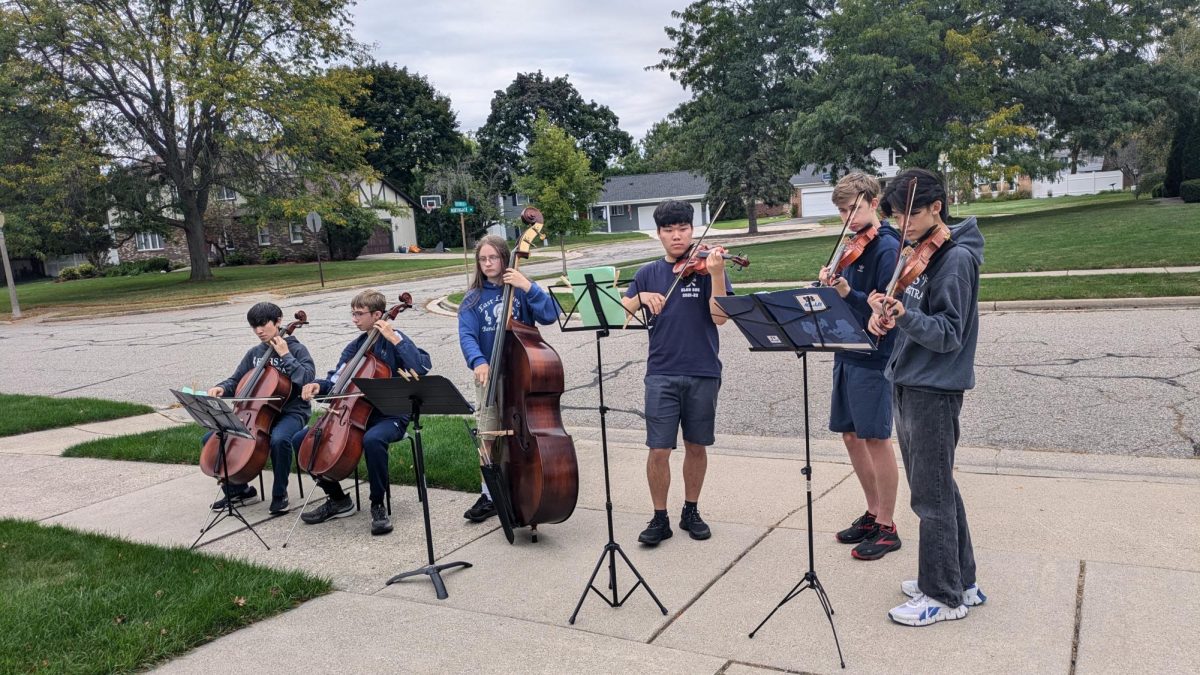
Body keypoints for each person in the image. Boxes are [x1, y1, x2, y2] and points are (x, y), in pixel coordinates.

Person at [866, 168, 987, 626]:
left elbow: (949, 333)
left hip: (934, 388)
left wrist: (907, 315)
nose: (903, 223)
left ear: (938, 207)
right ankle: (963, 581)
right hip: (912, 379)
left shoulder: (955, 260)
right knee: (939, 489)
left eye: (912, 213)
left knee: (930, 499)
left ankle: (943, 596)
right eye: (897, 215)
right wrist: (888, 315)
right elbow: (911, 312)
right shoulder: (916, 250)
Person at [621, 200, 731, 546]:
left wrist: (714, 273)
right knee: (658, 449)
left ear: (692, 230)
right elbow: (621, 309)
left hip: (703, 370)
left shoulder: (708, 267)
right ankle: (659, 517)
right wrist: (641, 298)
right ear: (659, 234)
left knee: (696, 446)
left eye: (683, 228)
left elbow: (719, 318)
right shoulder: (647, 273)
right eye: (669, 230)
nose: (677, 236)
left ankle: (691, 510)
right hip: (661, 373)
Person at [293, 289, 431, 536]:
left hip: (390, 415)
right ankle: (337, 499)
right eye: (353, 313)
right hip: (352, 415)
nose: (354, 319)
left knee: (374, 439)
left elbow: (422, 366)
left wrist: (396, 340)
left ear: (378, 314)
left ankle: (378, 504)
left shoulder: (395, 340)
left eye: (359, 314)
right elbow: (336, 382)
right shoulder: (355, 348)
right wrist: (318, 386)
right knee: (301, 440)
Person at [817, 172, 903, 561]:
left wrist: (847, 291)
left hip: (874, 353)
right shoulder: (851, 247)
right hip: (845, 347)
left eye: (853, 208)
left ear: (872, 201)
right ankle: (872, 512)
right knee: (850, 436)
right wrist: (827, 288)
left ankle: (887, 525)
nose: (847, 218)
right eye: (840, 211)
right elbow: (846, 302)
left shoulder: (886, 248)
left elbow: (885, 305)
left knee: (875, 438)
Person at [457, 234, 560, 523]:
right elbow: (467, 335)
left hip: (523, 375)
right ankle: (488, 494)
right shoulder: (473, 298)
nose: (488, 263)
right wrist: (478, 361)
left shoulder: (521, 290)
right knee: (488, 436)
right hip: (489, 377)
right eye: (483, 259)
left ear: (505, 258)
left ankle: (529, 485)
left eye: (493, 257)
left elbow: (550, 315)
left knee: (527, 433)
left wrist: (528, 286)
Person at [203, 301, 315, 515]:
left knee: (280, 440)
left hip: (292, 411)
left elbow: (307, 379)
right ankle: (239, 490)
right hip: (255, 414)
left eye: (263, 324)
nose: (259, 331)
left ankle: (280, 495)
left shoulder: (297, 349)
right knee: (211, 438)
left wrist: (285, 355)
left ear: (279, 321)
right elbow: (236, 381)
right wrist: (220, 388)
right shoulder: (255, 353)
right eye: (254, 326)